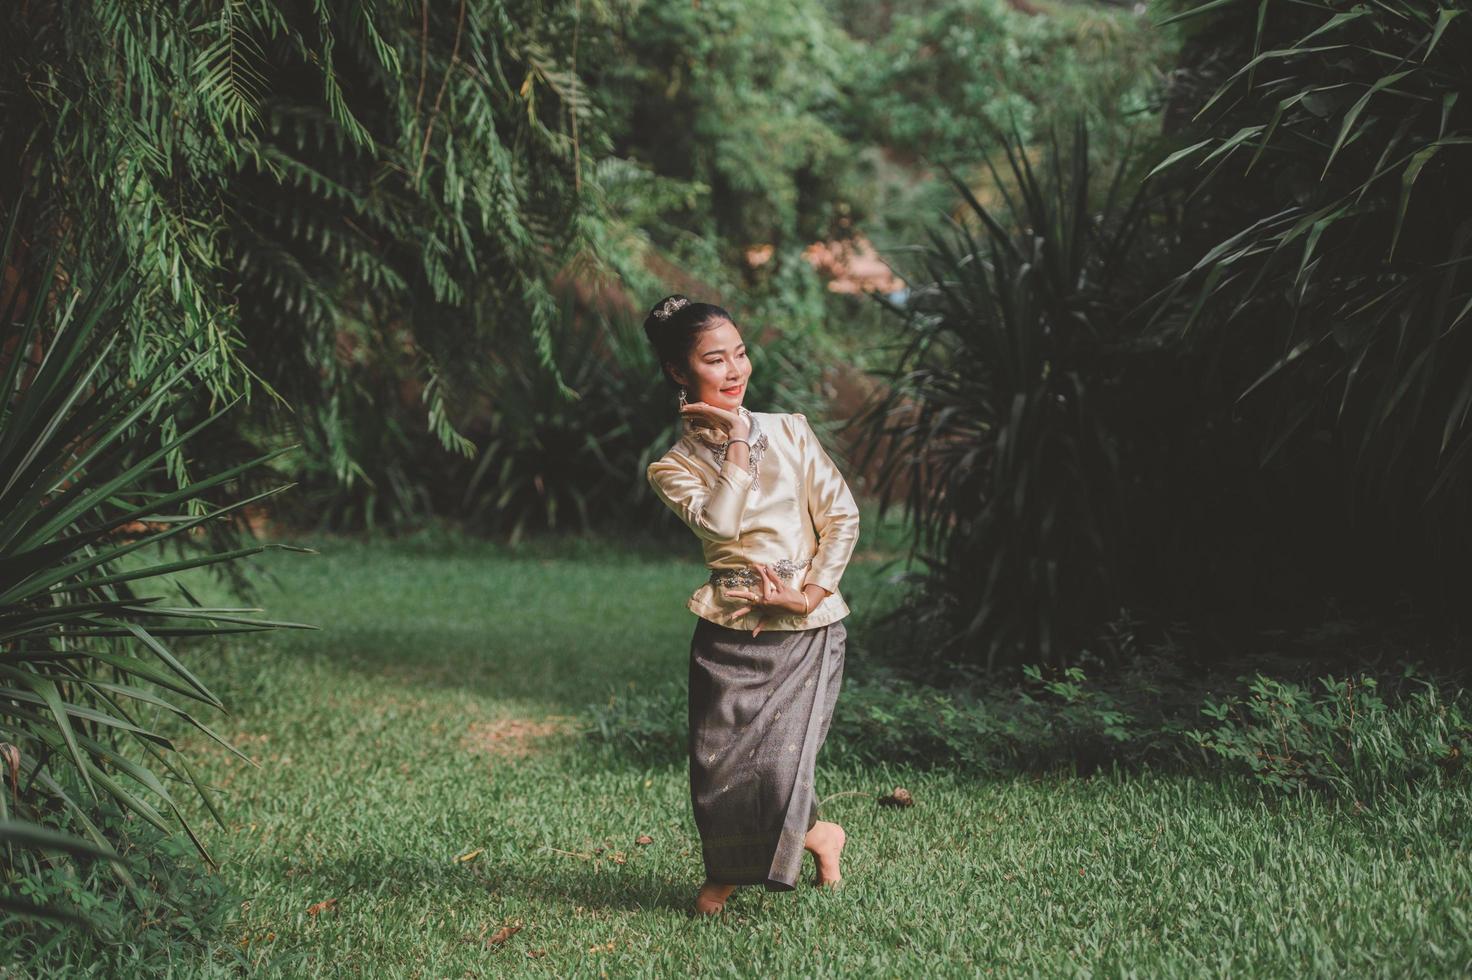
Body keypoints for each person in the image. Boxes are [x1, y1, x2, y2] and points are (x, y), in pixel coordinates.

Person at [642, 294, 862, 917]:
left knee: (777, 764)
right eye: (716, 359)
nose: (736, 370)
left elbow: (840, 516)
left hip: (804, 626)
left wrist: (810, 592)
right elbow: (719, 523)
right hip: (727, 628)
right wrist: (737, 440)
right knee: (720, 766)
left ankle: (730, 876)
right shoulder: (672, 467)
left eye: (740, 353)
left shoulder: (790, 429)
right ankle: (820, 835)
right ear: (680, 373)